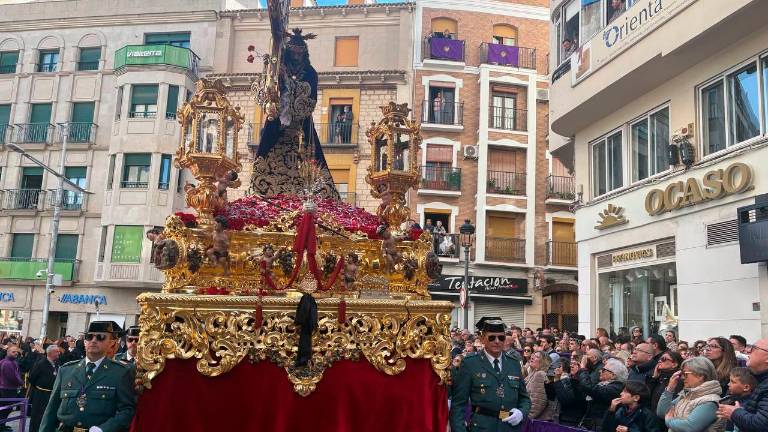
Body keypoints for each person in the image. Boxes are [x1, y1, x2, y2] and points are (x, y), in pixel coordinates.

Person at [251, 28, 338, 199]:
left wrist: (289, 82)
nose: (296, 58)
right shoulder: (277, 67)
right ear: (288, 52)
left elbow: (309, 101)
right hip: (275, 124)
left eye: (300, 54)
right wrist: (270, 71)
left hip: (301, 127)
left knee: (313, 163)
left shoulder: (310, 73)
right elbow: (267, 91)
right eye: (293, 53)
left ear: (304, 54)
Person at [40, 321, 136, 432]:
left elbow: (127, 411)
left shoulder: (120, 373)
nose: (94, 340)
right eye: (89, 337)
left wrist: (104, 429)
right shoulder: (66, 370)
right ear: (85, 342)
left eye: (100, 337)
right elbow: (51, 411)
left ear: (111, 343)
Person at [450, 317, 531, 432]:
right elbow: (458, 405)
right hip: (482, 427)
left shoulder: (513, 363)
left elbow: (524, 398)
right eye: (492, 337)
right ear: (483, 339)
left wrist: (521, 413)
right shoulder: (470, 363)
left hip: (509, 427)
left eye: (501, 337)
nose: (497, 341)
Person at [656, 356, 725, 432]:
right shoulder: (687, 395)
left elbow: (689, 427)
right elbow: (662, 412)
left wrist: (669, 421)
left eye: (685, 374)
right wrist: (670, 388)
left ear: (700, 376)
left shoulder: (710, 401)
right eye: (681, 374)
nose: (682, 377)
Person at [717, 338, 768, 432]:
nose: (747, 350)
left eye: (754, 348)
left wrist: (734, 413)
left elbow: (762, 424)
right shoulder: (758, 377)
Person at [575, 357, 627, 430]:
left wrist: (583, 369)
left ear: (613, 375)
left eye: (603, 370)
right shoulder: (604, 384)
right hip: (594, 423)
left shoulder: (615, 388)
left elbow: (588, 387)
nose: (600, 371)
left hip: (600, 425)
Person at [28, 345, 62, 432]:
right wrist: (41, 387)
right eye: (57, 351)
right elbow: (32, 378)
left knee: (50, 415)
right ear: (50, 353)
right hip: (41, 395)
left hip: (53, 394)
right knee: (38, 416)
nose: (59, 353)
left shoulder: (58, 362)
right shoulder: (40, 363)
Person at [525, 351, 557, 421]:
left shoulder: (540, 374)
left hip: (533, 423)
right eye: (533, 355)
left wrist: (525, 419)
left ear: (543, 362)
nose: (532, 357)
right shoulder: (533, 374)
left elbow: (538, 404)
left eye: (537, 357)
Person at [0, 344, 22, 429]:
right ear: (8, 352)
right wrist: (20, 383)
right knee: (6, 409)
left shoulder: (11, 362)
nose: (16, 353)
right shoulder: (7, 363)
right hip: (7, 389)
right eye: (13, 352)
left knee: (5, 409)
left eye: (17, 351)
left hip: (6, 388)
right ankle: (1, 426)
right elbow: (13, 377)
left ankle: (2, 425)